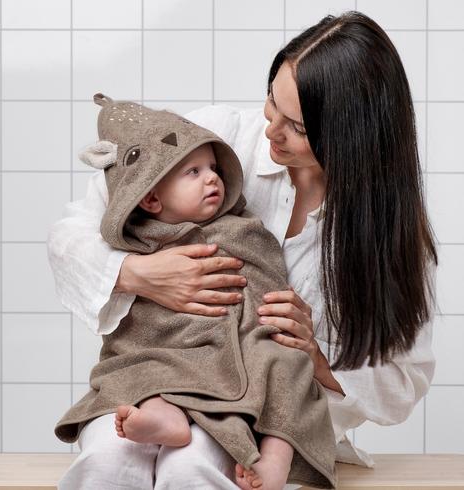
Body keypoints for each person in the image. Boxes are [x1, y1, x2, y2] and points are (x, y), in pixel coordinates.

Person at [48, 11, 437, 490]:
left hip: (265, 416)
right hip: (158, 376)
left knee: (194, 467)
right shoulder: (215, 140)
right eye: (272, 101)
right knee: (110, 458)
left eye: (295, 125)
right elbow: (74, 232)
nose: (271, 128)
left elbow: (401, 384)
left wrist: (315, 356)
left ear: (349, 137)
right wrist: (138, 272)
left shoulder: (387, 237)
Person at [54, 95, 337, 490]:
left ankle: (268, 449)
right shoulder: (135, 238)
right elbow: (71, 241)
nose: (212, 179)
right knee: (113, 441)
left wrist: (277, 339)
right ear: (151, 198)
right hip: (155, 356)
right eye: (193, 172)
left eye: (214, 168)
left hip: (227, 357)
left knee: (283, 367)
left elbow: (266, 279)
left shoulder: (241, 229)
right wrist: (134, 272)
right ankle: (160, 410)